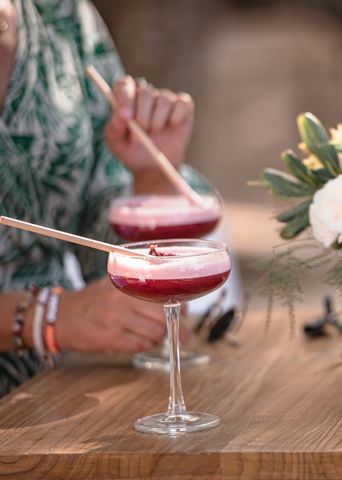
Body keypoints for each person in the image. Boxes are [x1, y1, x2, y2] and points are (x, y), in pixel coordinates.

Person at [0, 0, 206, 395]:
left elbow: (104, 242)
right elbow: (73, 314)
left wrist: (149, 176)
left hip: (64, 392)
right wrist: (49, 317)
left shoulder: (61, 15)